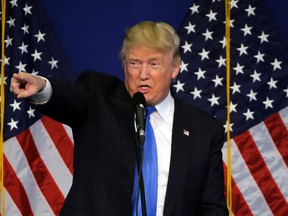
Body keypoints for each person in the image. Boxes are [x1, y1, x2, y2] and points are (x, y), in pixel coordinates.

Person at [10, 21, 228, 216]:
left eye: (154, 64)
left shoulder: (204, 130)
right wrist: (41, 88)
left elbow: (212, 208)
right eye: (134, 63)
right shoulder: (98, 96)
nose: (143, 74)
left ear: (174, 69)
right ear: (124, 65)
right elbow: (69, 98)